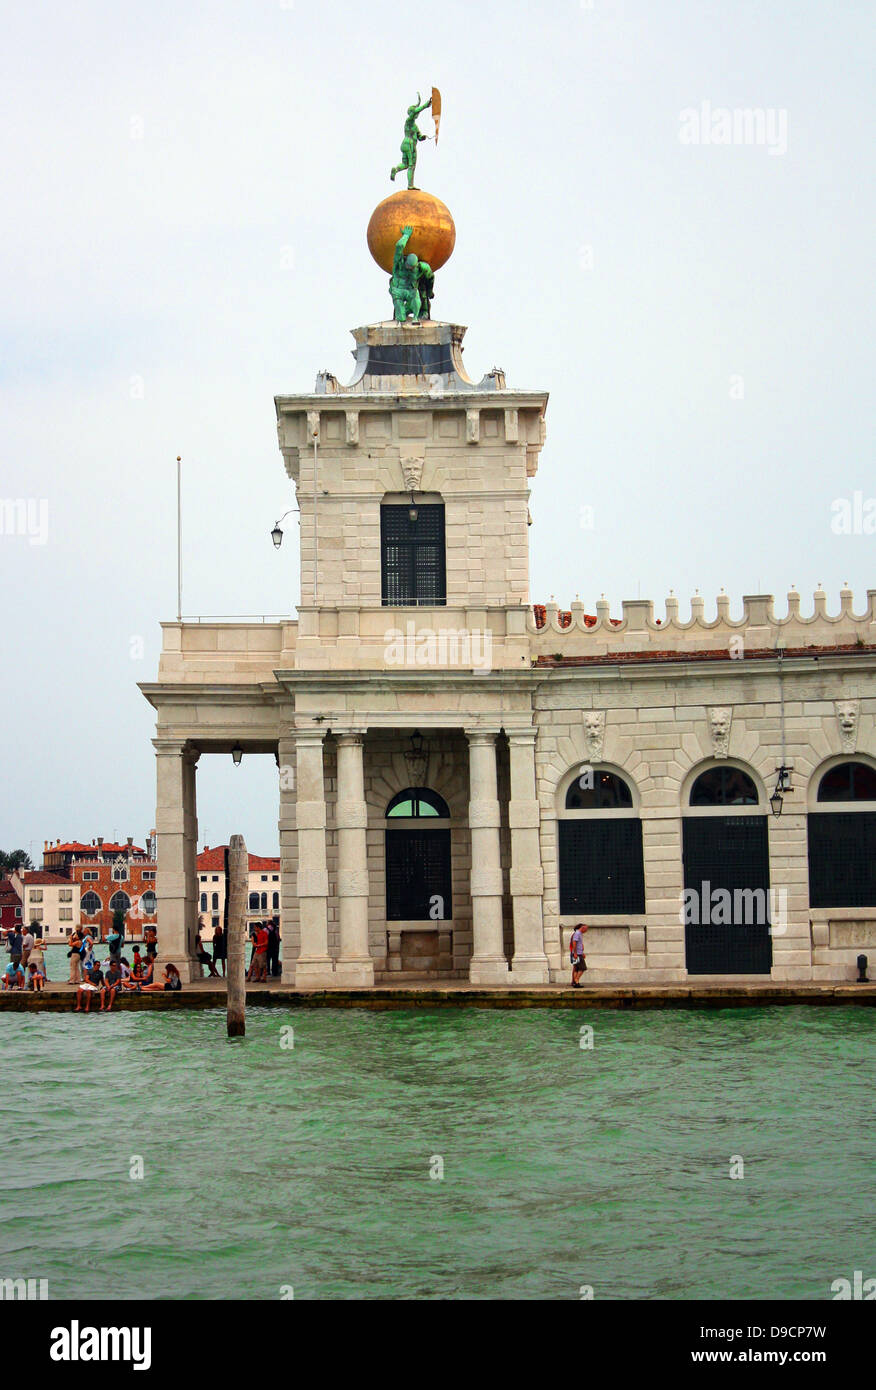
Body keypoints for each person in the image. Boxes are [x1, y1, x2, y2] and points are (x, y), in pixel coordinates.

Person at [570, 922, 588, 987]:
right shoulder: (577, 934)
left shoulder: (578, 933)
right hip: (577, 954)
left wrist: (582, 952)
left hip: (578, 953)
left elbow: (578, 944)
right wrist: (575, 953)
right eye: (586, 929)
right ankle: (576, 980)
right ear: (582, 928)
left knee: (576, 968)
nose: (586, 930)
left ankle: (575, 982)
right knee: (582, 968)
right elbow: (574, 943)